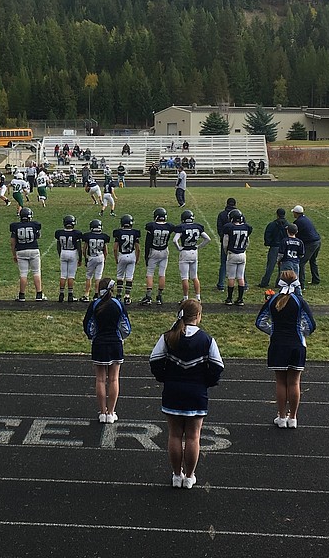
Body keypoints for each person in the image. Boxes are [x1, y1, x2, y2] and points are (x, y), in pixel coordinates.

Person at [148, 299, 224, 489]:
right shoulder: (207, 339)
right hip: (196, 393)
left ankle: (176, 475)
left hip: (173, 391)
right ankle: (189, 477)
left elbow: (155, 361)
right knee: (193, 436)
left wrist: (166, 377)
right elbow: (217, 367)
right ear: (198, 316)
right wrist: (206, 382)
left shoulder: (168, 337)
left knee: (174, 435)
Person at [255, 270, 316, 428]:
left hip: (277, 345)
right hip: (297, 345)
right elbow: (311, 325)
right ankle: (293, 418)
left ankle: (281, 417)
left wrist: (273, 331)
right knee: (294, 382)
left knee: (281, 382)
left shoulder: (273, 300)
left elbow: (260, 322)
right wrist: (301, 333)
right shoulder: (299, 301)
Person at [83, 277, 131, 423]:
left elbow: (87, 326)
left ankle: (102, 412)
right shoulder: (118, 304)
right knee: (114, 379)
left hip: (99, 344)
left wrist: (93, 337)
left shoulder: (94, 305)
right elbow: (126, 328)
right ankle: (111, 413)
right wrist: (121, 337)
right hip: (115, 344)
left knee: (100, 379)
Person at [174, 208, 210, 301]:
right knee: (194, 277)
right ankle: (198, 297)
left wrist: (178, 248)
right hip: (194, 252)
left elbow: (174, 240)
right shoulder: (198, 227)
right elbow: (207, 239)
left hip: (185, 252)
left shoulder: (181, 227)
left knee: (184, 277)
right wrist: (199, 246)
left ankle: (185, 298)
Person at [141, 207, 174, 306]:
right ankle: (159, 297)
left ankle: (149, 296)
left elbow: (147, 243)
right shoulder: (169, 226)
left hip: (154, 251)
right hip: (164, 251)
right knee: (162, 274)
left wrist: (146, 256)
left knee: (150, 273)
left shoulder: (151, 226)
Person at [10, 206, 44, 301]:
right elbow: (38, 236)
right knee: (36, 272)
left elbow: (12, 242)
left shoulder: (15, 226)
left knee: (23, 273)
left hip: (21, 251)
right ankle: (39, 294)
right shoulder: (34, 224)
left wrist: (14, 254)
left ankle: (22, 295)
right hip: (33, 250)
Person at [221, 208, 253, 306]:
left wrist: (226, 251)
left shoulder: (229, 227)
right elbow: (247, 241)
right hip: (242, 254)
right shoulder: (246, 227)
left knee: (231, 277)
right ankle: (240, 299)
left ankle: (229, 299)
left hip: (232, 254)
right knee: (240, 277)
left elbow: (225, 242)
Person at [112, 213, 141, 303]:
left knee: (120, 277)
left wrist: (116, 258)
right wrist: (137, 258)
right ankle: (127, 296)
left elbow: (115, 248)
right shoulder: (135, 233)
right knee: (129, 277)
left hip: (122, 255)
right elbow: (138, 248)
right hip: (131, 255)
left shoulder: (118, 233)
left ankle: (119, 295)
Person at [291, 204, 322, 286]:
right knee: (313, 260)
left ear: (296, 213)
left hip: (311, 243)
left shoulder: (298, 222)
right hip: (317, 241)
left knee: (301, 262)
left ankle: (301, 283)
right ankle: (316, 279)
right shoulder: (306, 219)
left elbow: (295, 234)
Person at [80, 219, 110, 302]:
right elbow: (105, 251)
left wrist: (85, 258)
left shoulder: (87, 236)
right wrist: (105, 259)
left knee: (89, 276)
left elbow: (84, 249)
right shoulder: (104, 236)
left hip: (91, 257)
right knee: (98, 277)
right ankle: (96, 295)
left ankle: (86, 294)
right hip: (100, 256)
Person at [258, 208, 289, 288]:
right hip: (284, 247)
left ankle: (265, 282)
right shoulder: (288, 225)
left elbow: (267, 234)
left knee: (270, 266)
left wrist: (268, 243)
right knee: (281, 266)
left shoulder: (272, 224)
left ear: (277, 214)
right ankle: (279, 283)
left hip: (274, 247)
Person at [55, 214, 82, 302]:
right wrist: (80, 258)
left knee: (63, 275)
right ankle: (70, 295)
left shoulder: (59, 233)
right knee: (71, 275)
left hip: (63, 252)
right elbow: (79, 247)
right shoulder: (76, 233)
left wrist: (60, 254)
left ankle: (61, 294)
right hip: (72, 253)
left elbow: (58, 245)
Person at [215, 197, 238, 291]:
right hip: (237, 242)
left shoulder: (222, 214)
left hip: (225, 240)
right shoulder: (239, 214)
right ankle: (244, 285)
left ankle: (221, 284)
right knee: (240, 264)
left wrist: (222, 237)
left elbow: (219, 228)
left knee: (223, 263)